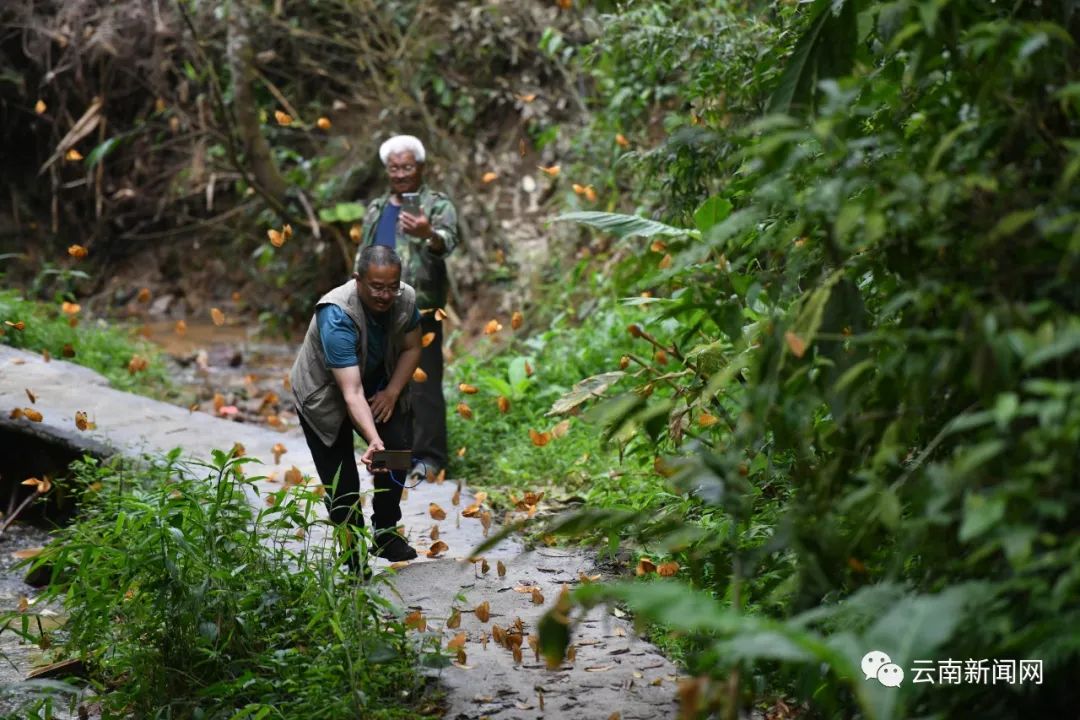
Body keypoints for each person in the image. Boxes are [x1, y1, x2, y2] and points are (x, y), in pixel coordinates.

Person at [290, 245, 423, 573]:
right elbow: (351, 393)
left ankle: (386, 533)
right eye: (377, 287)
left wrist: (392, 392)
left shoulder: (405, 299)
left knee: (396, 452)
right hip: (325, 396)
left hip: (376, 385)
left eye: (392, 286)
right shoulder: (336, 312)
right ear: (358, 280)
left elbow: (412, 346)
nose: (385, 295)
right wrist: (372, 440)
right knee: (342, 481)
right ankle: (353, 556)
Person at [353, 134, 460, 484]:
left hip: (422, 308)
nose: (400, 174)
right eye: (394, 168)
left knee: (424, 385)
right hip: (379, 309)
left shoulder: (436, 205)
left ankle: (430, 458)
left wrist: (429, 232)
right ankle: (393, 454)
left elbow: (448, 243)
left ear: (421, 167)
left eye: (407, 167)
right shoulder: (376, 208)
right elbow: (363, 256)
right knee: (384, 382)